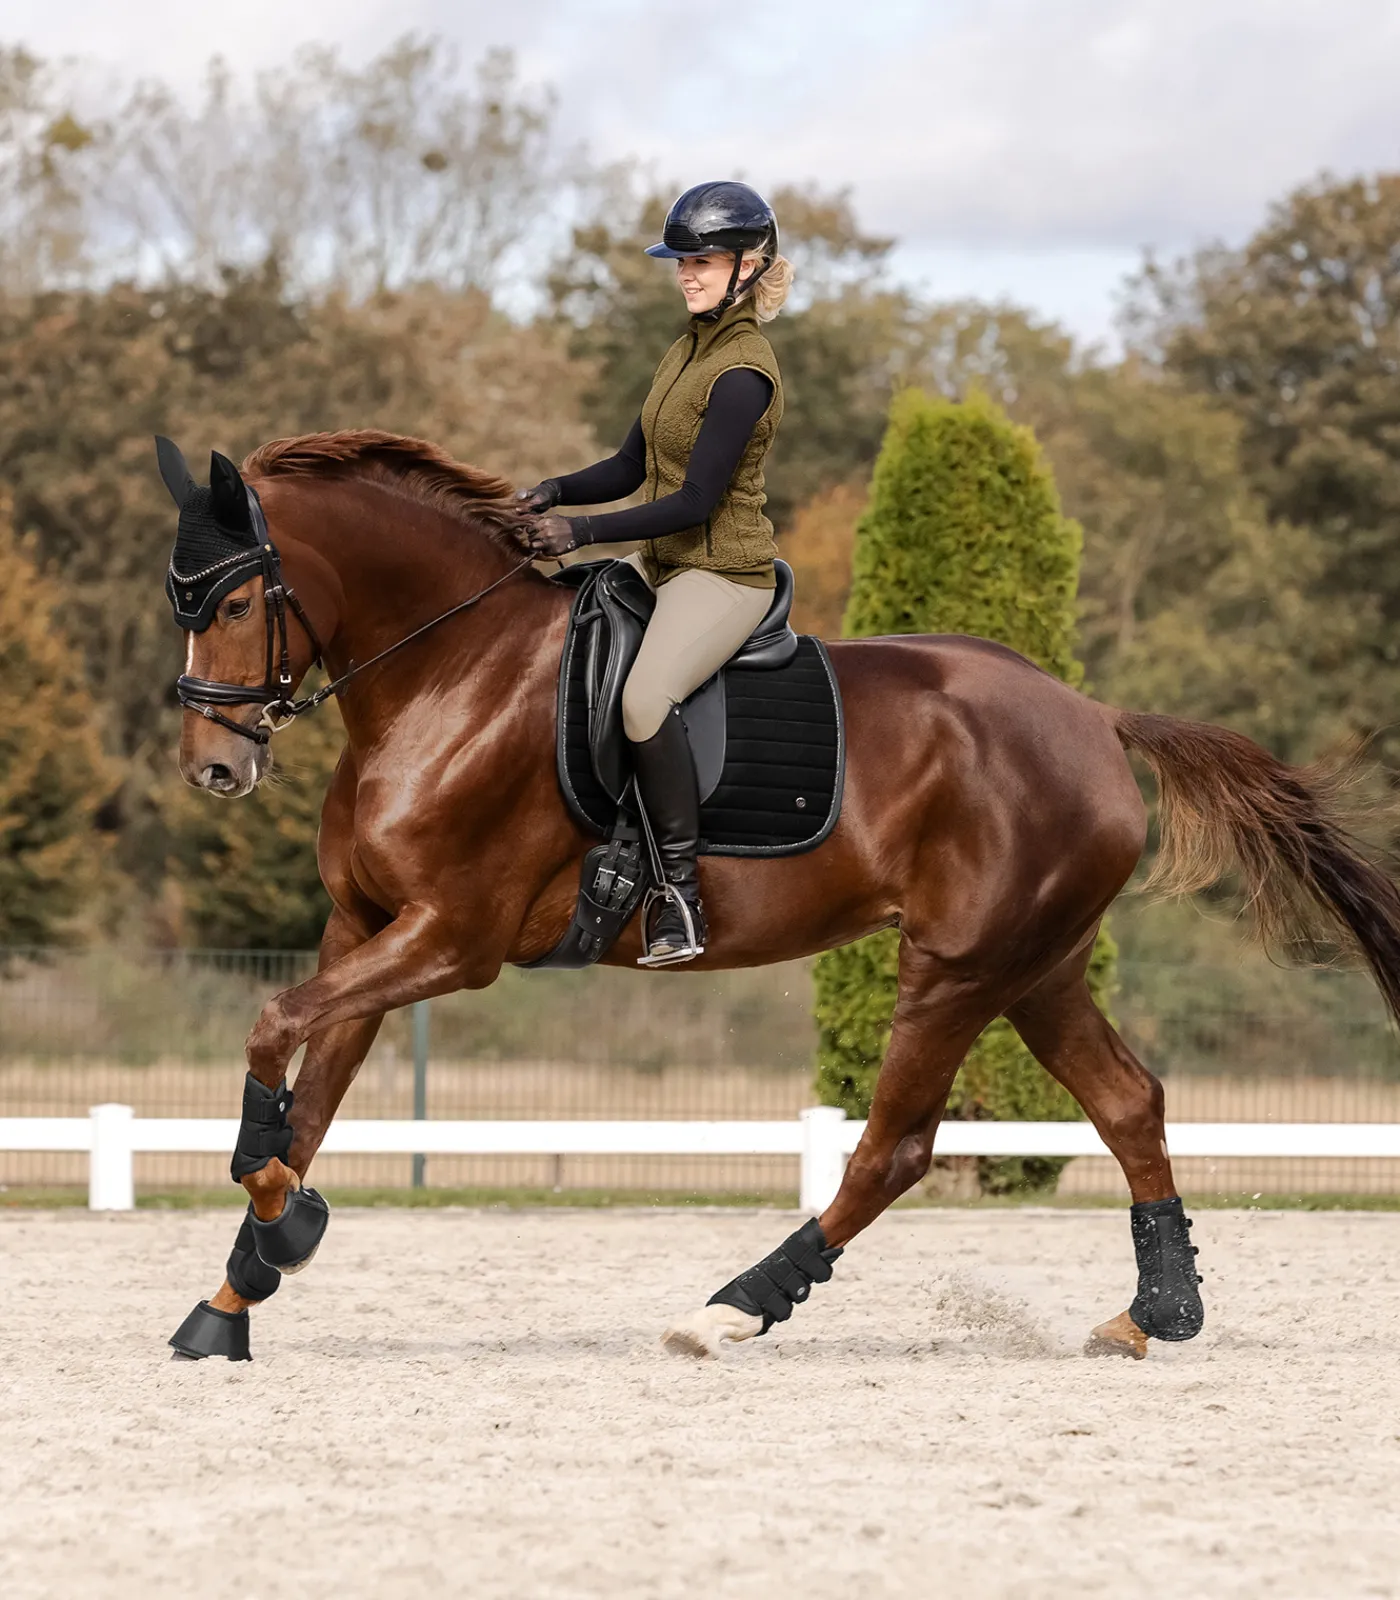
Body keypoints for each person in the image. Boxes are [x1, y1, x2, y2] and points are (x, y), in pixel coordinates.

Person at [517, 181, 794, 967]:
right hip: (665, 561)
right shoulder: (685, 351)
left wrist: (580, 532)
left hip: (724, 574)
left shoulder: (743, 371)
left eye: (701, 261)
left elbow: (695, 501)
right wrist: (554, 491)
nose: (686, 274)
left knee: (644, 699)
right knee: (561, 631)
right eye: (680, 261)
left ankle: (677, 890)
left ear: (748, 267)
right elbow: (628, 465)